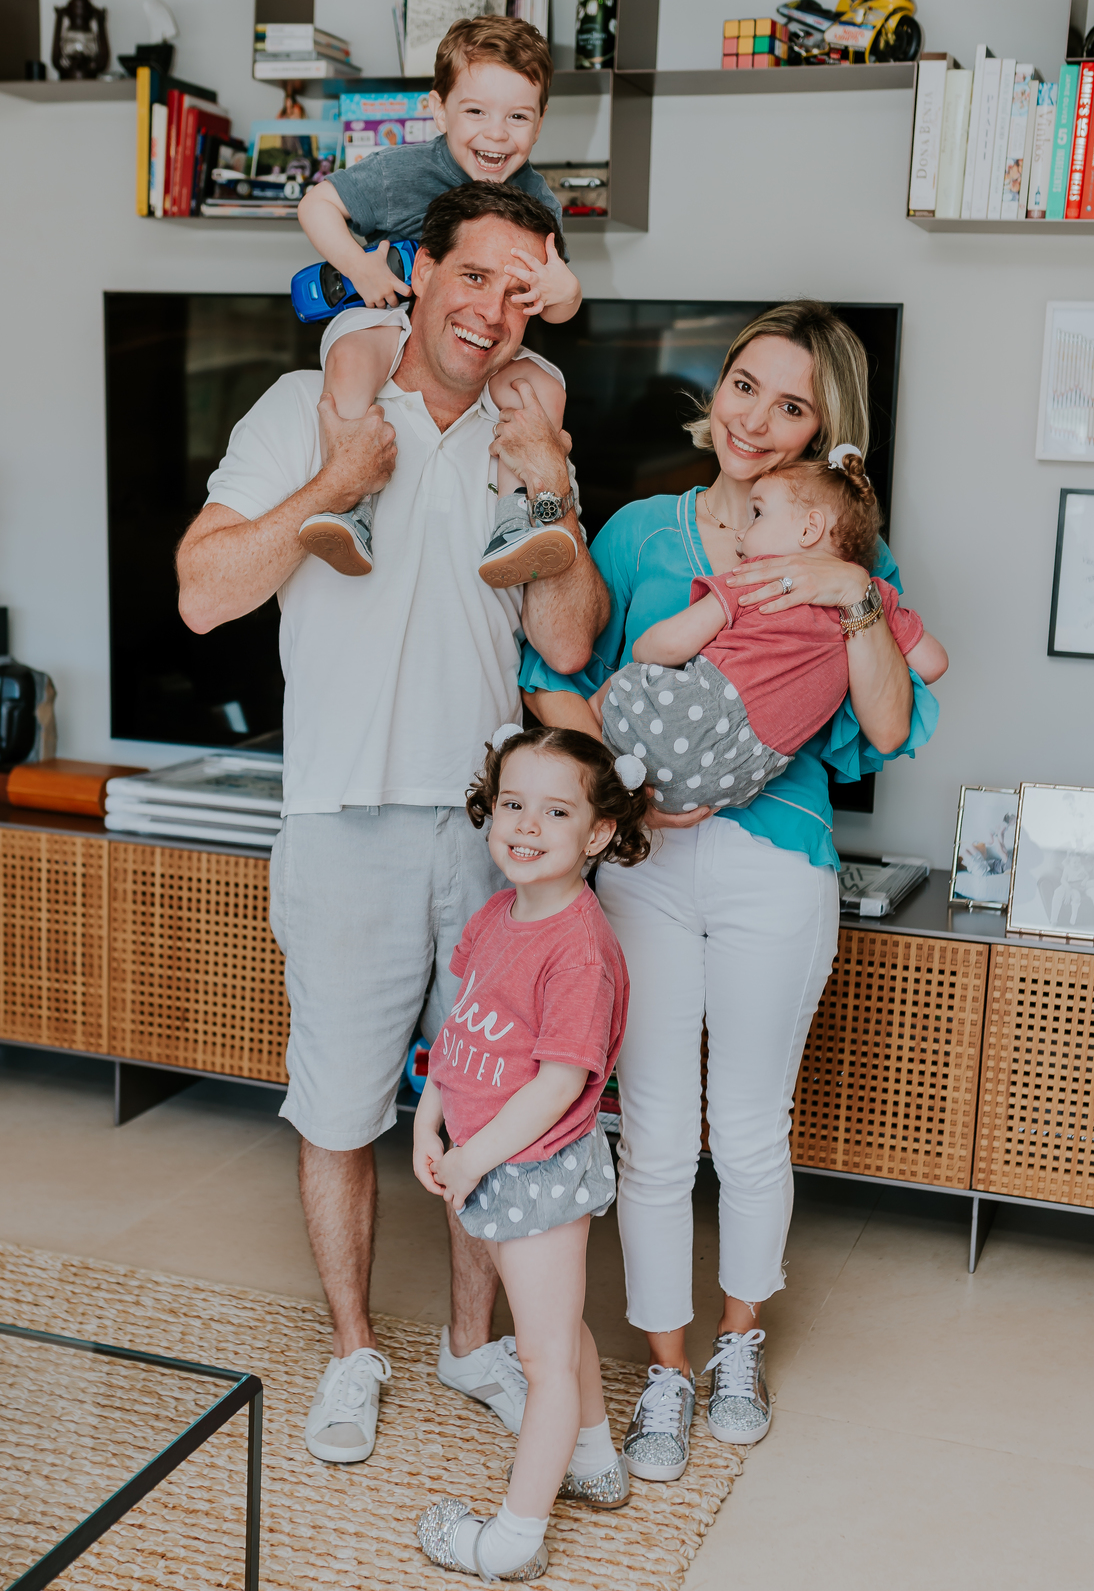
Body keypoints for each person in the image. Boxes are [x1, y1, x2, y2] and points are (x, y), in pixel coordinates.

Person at [175, 180, 609, 1468]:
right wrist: (336, 475)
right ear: (416, 273)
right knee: (342, 1111)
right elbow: (203, 594)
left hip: (495, 842)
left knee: (485, 1116)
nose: (493, 308)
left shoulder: (532, 423)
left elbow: (569, 638)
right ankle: (355, 1350)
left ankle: (472, 1347)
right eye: (474, 276)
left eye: (522, 287)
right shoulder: (310, 406)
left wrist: (552, 489)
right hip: (343, 817)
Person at [522, 301, 945, 1480]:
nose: (758, 418)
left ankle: (738, 1348)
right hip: (645, 862)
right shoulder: (645, 531)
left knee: (752, 1131)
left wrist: (849, 593)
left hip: (777, 862)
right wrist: (633, 800)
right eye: (746, 386)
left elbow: (893, 719)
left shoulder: (843, 541)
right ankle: (663, 1369)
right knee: (653, 1136)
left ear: (826, 431)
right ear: (717, 392)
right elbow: (560, 680)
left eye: (794, 403)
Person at [415, 725, 648, 1581]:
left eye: (555, 811)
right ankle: (592, 1460)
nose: (525, 824)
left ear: (596, 835)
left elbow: (556, 1086)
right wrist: (430, 1115)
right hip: (493, 1160)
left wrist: (474, 1160)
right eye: (513, 803)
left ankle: (510, 1539)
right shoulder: (498, 914)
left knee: (542, 1360)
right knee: (559, 1328)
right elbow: (464, 1021)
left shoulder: (580, 951)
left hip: (533, 1169)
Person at [297, 15, 583, 588]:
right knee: (354, 356)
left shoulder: (539, 201)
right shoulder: (403, 172)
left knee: (543, 390)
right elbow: (316, 205)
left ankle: (515, 518)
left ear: (540, 122)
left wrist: (566, 293)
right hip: (388, 316)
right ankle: (350, 499)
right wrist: (359, 265)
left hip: (479, 339)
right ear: (438, 109)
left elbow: (555, 308)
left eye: (517, 117)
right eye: (476, 112)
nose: (496, 135)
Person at [584, 449, 947, 812]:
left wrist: (639, 660)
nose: (741, 532)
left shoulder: (760, 576)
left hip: (683, 725)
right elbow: (933, 664)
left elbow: (662, 646)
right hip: (742, 777)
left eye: (757, 514)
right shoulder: (877, 595)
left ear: (809, 529)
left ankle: (619, 769)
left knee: (610, 694)